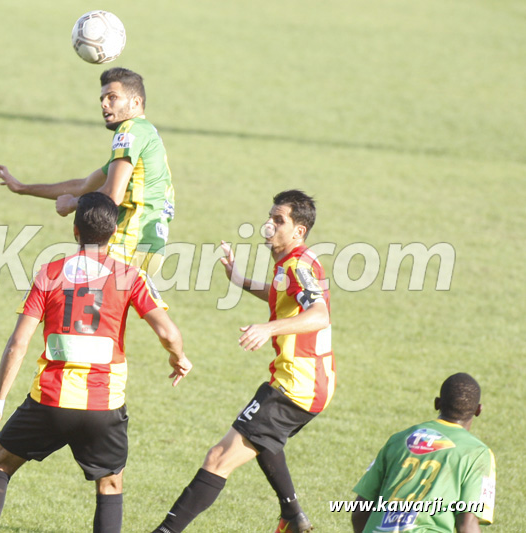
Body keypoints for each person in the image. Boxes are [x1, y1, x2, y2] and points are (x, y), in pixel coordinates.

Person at [0, 192, 192, 533]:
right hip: (104, 407)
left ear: (75, 231)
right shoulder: (130, 276)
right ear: (114, 232)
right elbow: (169, 333)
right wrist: (178, 358)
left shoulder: (49, 273)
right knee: (110, 484)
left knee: (0, 464)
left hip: (49, 401)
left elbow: (18, 344)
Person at [152, 190, 333, 533]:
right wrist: (241, 280)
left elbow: (320, 314)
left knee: (218, 458)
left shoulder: (297, 266)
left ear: (299, 231)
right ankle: (293, 517)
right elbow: (282, 293)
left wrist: (268, 328)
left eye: (278, 220)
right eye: (270, 216)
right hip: (306, 382)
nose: (268, 225)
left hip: (297, 386)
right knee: (263, 439)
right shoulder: (296, 261)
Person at [0, 67, 174, 277]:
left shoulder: (129, 129)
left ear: (135, 102)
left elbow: (112, 195)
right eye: (102, 98)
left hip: (127, 242)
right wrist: (22, 188)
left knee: (62, 290)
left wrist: (72, 203)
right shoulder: (146, 134)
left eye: (112, 97)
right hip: (150, 246)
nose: (104, 104)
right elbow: (84, 185)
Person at [351, 373, 495, 532]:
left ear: (437, 403)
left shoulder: (398, 440)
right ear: (478, 410)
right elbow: (467, 524)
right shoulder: (477, 453)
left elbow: (359, 511)